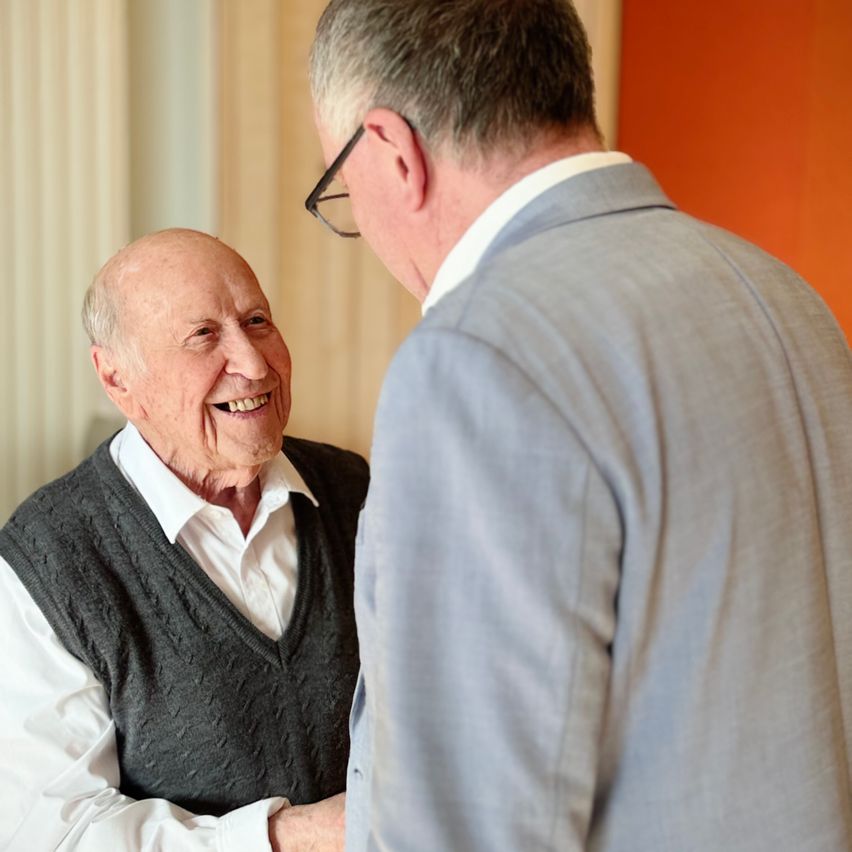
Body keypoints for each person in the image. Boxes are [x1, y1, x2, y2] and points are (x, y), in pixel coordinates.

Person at [306, 1, 852, 850]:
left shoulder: (476, 357)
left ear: (391, 150)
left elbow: (470, 829)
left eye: (341, 186)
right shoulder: (785, 295)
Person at [0, 228, 365, 851]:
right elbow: (55, 834)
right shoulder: (48, 560)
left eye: (257, 321)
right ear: (116, 380)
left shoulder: (356, 489)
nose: (253, 364)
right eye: (203, 336)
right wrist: (291, 837)